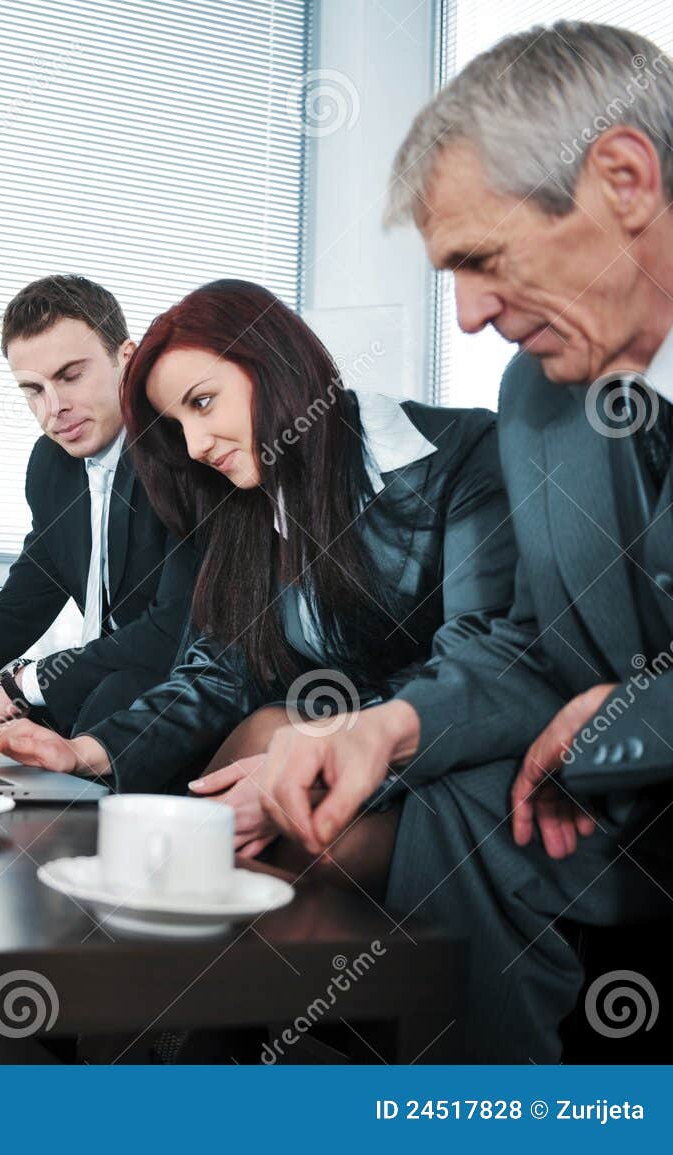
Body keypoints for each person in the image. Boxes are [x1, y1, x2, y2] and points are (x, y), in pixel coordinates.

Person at [253, 21, 673, 1062]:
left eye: (483, 262)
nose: (473, 314)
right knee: (451, 814)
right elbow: (533, 645)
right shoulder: (535, 398)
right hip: (619, 811)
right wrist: (388, 728)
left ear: (622, 178)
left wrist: (632, 716)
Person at [0, 280, 516, 872]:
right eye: (178, 425)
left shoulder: (463, 454)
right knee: (228, 786)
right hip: (321, 745)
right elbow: (221, 671)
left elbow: (479, 659)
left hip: (443, 751)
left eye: (202, 402)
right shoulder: (246, 496)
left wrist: (320, 749)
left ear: (277, 364)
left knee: (281, 769)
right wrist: (83, 752)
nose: (197, 445)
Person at [0, 275, 198, 739]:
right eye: (33, 389)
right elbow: (19, 611)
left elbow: (172, 630)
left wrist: (32, 682)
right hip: (91, 679)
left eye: (70, 376)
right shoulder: (52, 467)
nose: (54, 407)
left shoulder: (181, 453)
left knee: (112, 694)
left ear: (127, 359)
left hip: (159, 682)